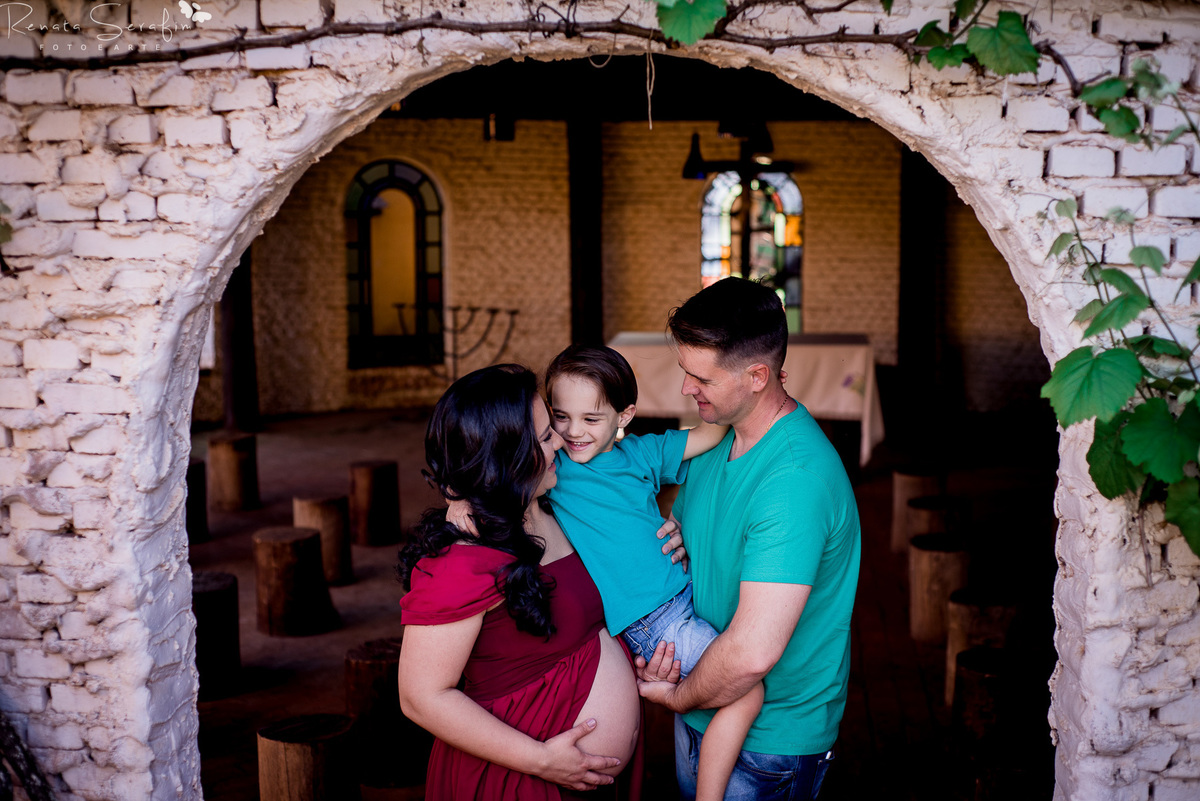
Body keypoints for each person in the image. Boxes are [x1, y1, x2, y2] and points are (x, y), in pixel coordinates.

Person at [448, 345, 762, 801]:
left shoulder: (641, 454)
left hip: (677, 603)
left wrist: (740, 396)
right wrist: (459, 499)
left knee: (721, 691)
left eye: (591, 419)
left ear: (624, 416)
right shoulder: (554, 473)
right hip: (658, 620)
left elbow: (707, 437)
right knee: (747, 694)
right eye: (560, 418)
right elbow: (492, 471)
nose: (572, 433)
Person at [635, 277, 862, 801]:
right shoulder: (718, 436)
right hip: (703, 708)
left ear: (758, 375)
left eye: (701, 378)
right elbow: (701, 532)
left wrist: (677, 697)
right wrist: (677, 536)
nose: (687, 389)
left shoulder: (795, 481)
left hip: (769, 743)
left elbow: (752, 655)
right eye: (684, 372)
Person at [396, 365, 640, 800]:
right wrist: (540, 760)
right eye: (546, 437)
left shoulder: (553, 505)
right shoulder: (459, 562)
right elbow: (421, 697)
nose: (562, 443)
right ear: (507, 458)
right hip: (519, 779)